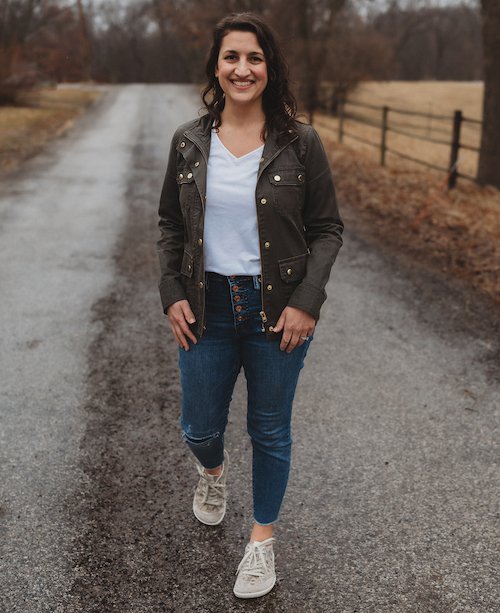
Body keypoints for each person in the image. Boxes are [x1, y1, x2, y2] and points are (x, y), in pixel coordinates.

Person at [157, 12, 343, 599]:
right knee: (198, 426)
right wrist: (171, 293)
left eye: (255, 58)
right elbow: (168, 223)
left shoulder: (300, 141)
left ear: (270, 67)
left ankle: (261, 543)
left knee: (269, 429)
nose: (243, 68)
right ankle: (212, 475)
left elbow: (327, 229)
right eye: (232, 57)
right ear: (216, 65)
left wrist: (307, 302)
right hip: (206, 305)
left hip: (277, 312)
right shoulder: (189, 140)